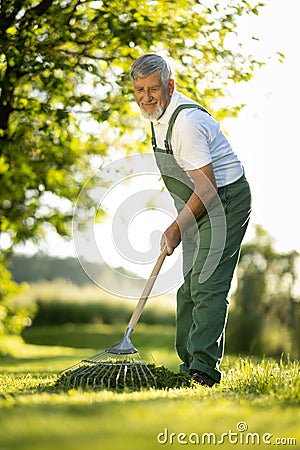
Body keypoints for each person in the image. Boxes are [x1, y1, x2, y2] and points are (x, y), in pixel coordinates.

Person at [130, 54, 251, 387]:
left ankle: (204, 372)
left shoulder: (185, 123)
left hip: (225, 201)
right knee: (189, 287)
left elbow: (208, 188)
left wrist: (175, 227)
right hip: (199, 205)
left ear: (170, 86)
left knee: (207, 284)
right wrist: (182, 224)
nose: (146, 97)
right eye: (139, 90)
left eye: (153, 89)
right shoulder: (156, 121)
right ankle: (188, 367)